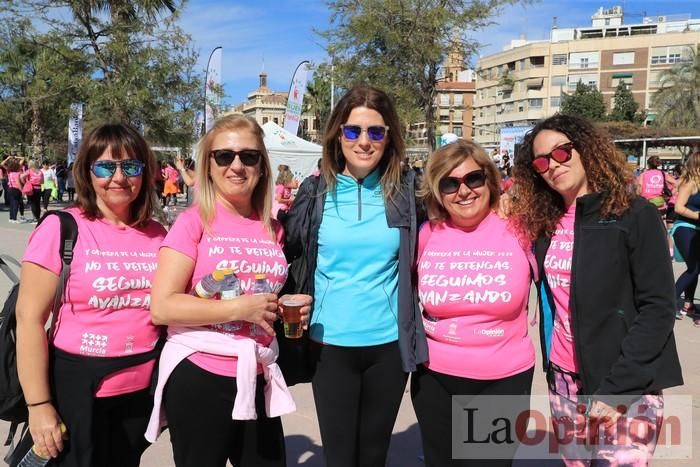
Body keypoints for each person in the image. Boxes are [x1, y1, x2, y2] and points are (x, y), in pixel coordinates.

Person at [511, 114, 683, 465]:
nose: (553, 166)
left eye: (562, 152)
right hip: (563, 380)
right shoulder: (546, 224)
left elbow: (658, 307)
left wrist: (620, 387)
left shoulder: (633, 215)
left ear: (585, 148)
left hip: (622, 380)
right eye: (541, 163)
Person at [146, 114, 310, 467]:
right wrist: (239, 310)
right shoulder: (193, 222)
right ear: (208, 165)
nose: (237, 165)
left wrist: (283, 307)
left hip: (257, 371)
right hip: (199, 375)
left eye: (248, 156)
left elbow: (260, 294)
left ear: (262, 167)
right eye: (224, 156)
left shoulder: (273, 228)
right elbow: (162, 306)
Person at [283, 85, 428, 467]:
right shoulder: (314, 193)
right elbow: (282, 247)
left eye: (376, 132)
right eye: (353, 131)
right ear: (337, 135)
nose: (364, 141)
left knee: (374, 454)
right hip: (329, 346)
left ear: (389, 137)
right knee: (340, 456)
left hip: (388, 346)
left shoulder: (407, 192)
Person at [15, 123, 165, 466]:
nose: (119, 177)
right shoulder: (61, 228)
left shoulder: (158, 234)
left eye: (130, 166)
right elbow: (28, 321)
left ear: (144, 173)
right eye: (105, 166)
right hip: (76, 389)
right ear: (87, 171)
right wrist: (38, 406)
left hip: (139, 390)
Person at [411, 140, 534, 466]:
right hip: (434, 378)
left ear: (490, 180)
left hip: (502, 380)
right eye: (450, 183)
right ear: (438, 191)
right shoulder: (425, 234)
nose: (463, 191)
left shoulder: (521, 228)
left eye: (473, 179)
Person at [672, 152, 700, 325]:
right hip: (684, 228)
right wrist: (697, 216)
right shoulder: (690, 183)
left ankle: (688, 303)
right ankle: (670, 301)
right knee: (695, 267)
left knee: (695, 267)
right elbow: (678, 208)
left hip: (696, 229)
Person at [3, 155, 27, 223]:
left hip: (10, 188)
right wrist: (22, 191)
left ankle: (11, 218)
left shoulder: (9, 172)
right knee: (16, 203)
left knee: (12, 203)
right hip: (16, 189)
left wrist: (8, 158)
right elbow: (18, 183)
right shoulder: (17, 173)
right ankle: (14, 218)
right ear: (17, 166)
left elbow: (2, 164)